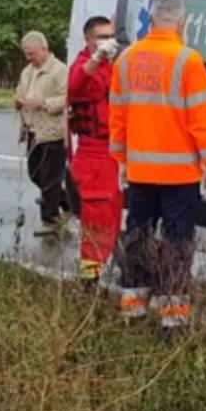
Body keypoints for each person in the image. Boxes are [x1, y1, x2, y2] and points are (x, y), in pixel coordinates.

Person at [109, 0, 206, 331]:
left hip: (140, 171)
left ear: (152, 19)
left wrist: (121, 161)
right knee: (177, 243)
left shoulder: (126, 59)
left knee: (138, 238)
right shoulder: (189, 61)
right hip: (179, 174)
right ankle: (172, 320)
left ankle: (132, 311)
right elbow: (202, 121)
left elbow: (117, 117)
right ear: (181, 21)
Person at [67, 15, 121, 282]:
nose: (108, 41)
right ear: (88, 40)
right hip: (93, 154)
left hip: (113, 152)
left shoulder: (111, 67)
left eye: (111, 36)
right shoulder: (83, 66)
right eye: (102, 37)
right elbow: (75, 84)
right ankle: (88, 284)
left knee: (113, 216)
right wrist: (96, 57)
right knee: (97, 219)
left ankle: (121, 269)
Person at [14, 31, 70, 233]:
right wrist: (18, 100)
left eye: (32, 53)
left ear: (44, 49)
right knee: (35, 174)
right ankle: (67, 202)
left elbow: (67, 99)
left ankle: (50, 220)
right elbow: (20, 92)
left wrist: (43, 103)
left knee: (50, 179)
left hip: (53, 132)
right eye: (26, 54)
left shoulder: (60, 70)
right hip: (33, 131)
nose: (29, 58)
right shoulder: (27, 72)